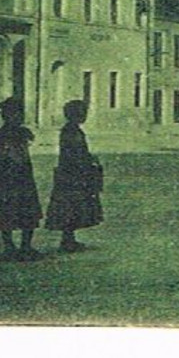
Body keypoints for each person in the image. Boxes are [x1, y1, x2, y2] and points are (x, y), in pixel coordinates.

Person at [0, 97, 42, 260]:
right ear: (5, 116)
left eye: (19, 114)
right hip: (6, 179)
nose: (17, 118)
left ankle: (26, 246)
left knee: (27, 212)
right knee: (4, 212)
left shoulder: (23, 133)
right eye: (13, 114)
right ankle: (9, 246)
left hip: (23, 177)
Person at [43, 99, 103, 253]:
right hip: (72, 174)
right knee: (70, 206)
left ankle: (69, 238)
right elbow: (74, 153)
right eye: (82, 113)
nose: (85, 116)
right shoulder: (70, 131)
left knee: (73, 206)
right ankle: (67, 240)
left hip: (71, 172)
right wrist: (87, 161)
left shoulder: (73, 130)